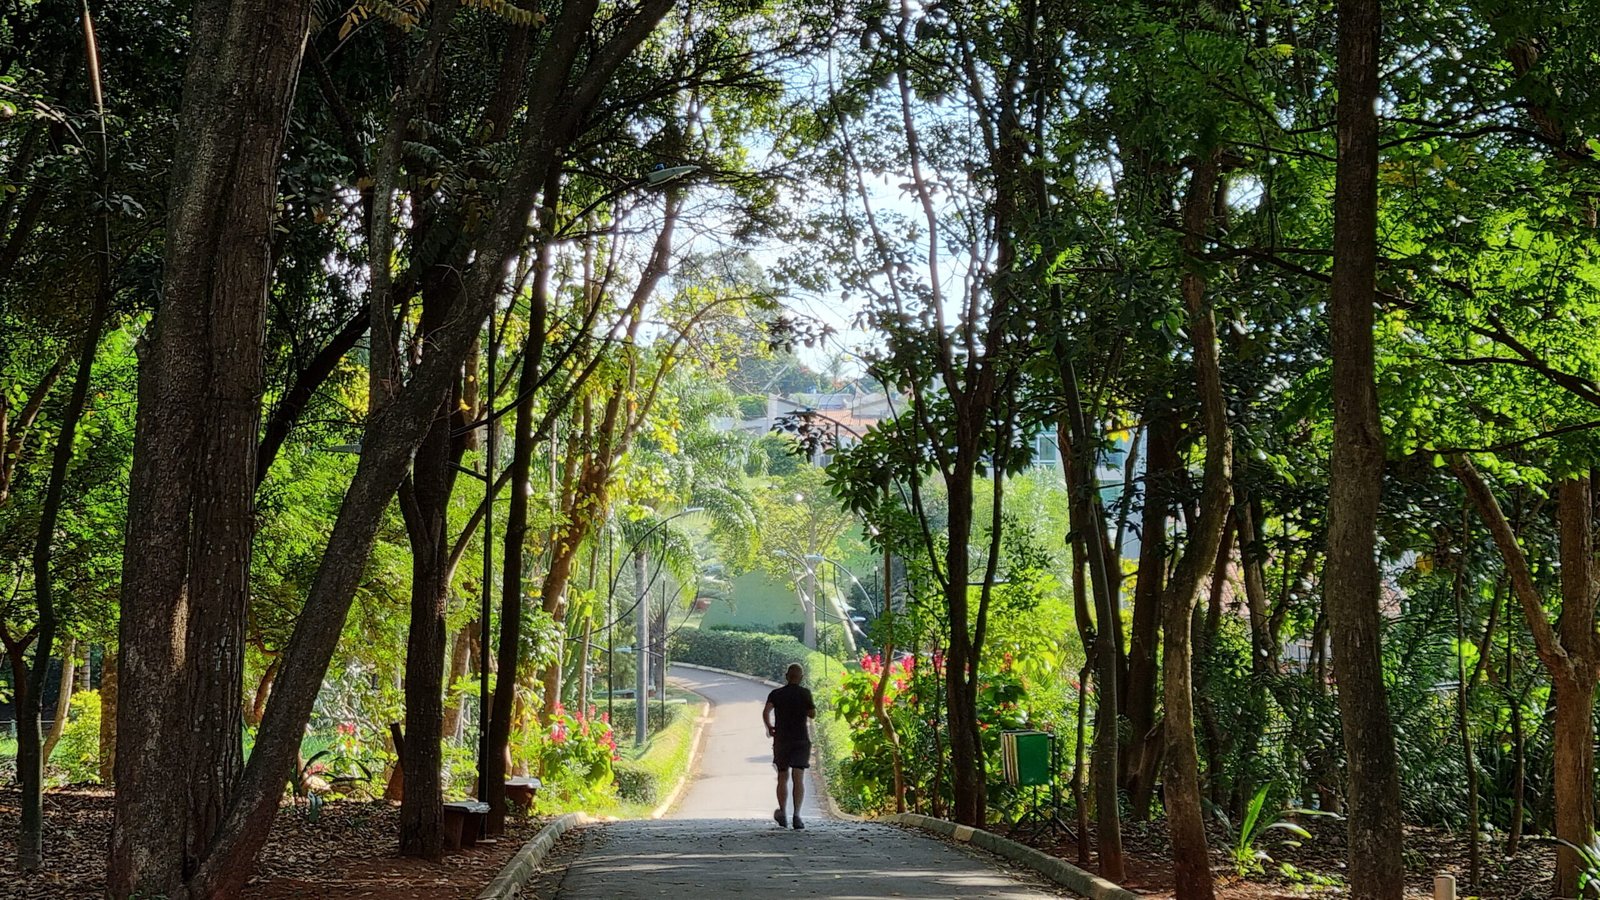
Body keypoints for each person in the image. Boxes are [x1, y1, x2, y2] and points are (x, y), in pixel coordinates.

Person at [762, 663, 816, 829]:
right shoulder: (805, 693)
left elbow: (766, 711)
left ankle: (783, 813)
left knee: (782, 777)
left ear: (786, 676)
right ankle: (797, 816)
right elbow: (812, 714)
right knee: (798, 778)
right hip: (800, 740)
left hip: (782, 740)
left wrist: (769, 727)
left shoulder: (776, 694)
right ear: (801, 678)